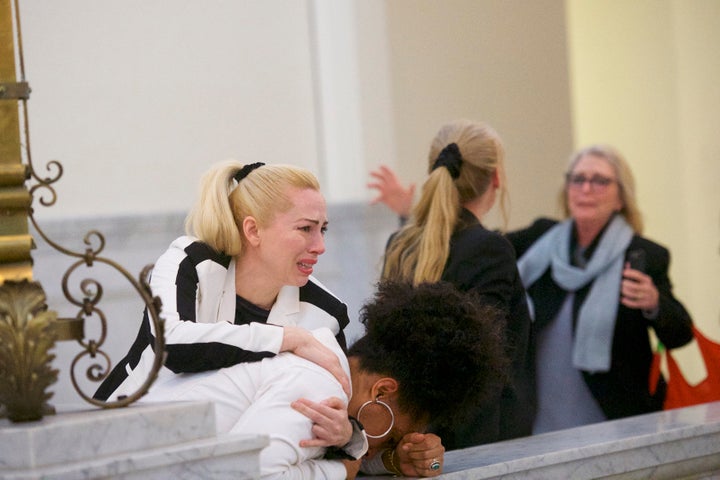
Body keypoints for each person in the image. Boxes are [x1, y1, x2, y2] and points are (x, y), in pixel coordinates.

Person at [94, 160, 361, 455]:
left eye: (323, 229)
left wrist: (345, 434)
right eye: (305, 229)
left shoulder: (328, 311)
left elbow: (332, 410)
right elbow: (171, 345)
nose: (320, 245)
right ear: (253, 230)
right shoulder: (191, 262)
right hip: (118, 437)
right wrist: (288, 339)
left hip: (217, 455)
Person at [141, 280, 508, 479]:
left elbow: (333, 446)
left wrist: (396, 463)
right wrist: (340, 469)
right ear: (382, 390)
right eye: (394, 436)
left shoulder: (331, 373)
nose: (385, 445)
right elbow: (244, 476)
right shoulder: (318, 386)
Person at [506, 144, 694, 433]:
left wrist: (654, 303)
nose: (586, 189)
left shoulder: (643, 255)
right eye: (578, 179)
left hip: (618, 422)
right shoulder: (540, 241)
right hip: (540, 423)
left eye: (600, 180)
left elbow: (680, 334)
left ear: (621, 197)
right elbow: (484, 251)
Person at [373, 119, 535, 450]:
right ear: (496, 178)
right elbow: (483, 366)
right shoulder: (488, 249)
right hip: (480, 444)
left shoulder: (402, 245)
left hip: (413, 437)